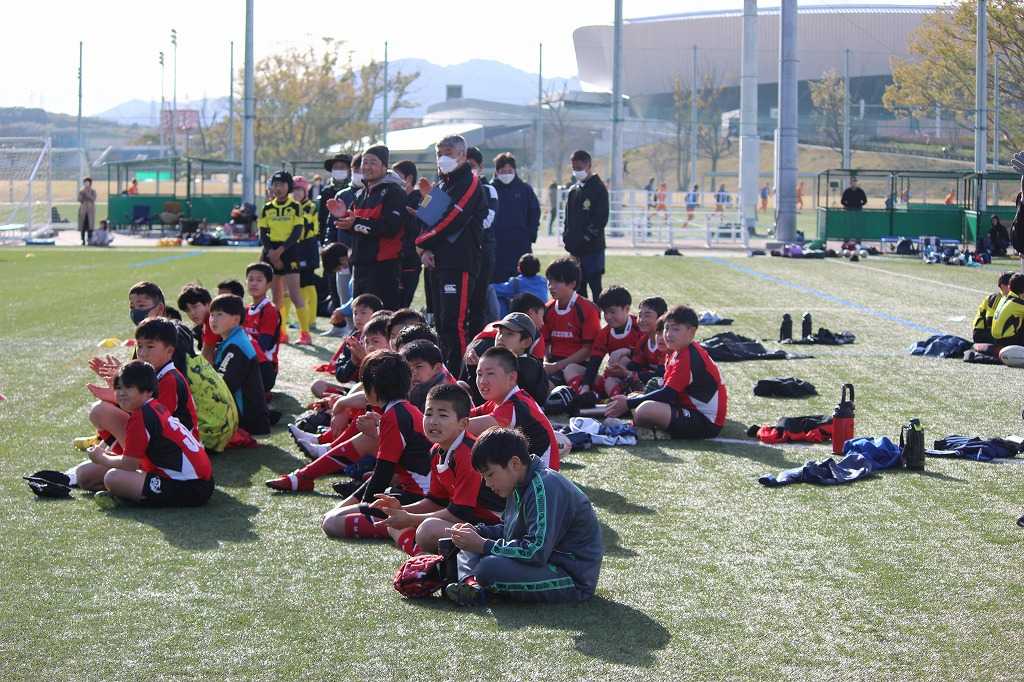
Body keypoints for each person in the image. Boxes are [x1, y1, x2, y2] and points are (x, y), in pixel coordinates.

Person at [443, 427, 602, 606]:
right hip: (542, 564)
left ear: (515, 464)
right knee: (469, 546)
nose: (487, 484)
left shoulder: (545, 486)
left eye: (490, 474)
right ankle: (470, 586)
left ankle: (474, 584)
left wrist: (484, 544)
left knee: (489, 567)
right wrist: (477, 533)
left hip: (570, 577)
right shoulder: (518, 483)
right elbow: (509, 531)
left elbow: (536, 551)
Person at [375, 383, 504, 556]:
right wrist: (402, 510)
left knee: (428, 529)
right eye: (428, 414)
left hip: (492, 528)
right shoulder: (437, 450)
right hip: (468, 523)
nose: (433, 421)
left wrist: (409, 518)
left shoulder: (469, 454)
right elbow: (436, 500)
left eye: (442, 415)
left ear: (463, 423)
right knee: (396, 524)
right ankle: (422, 557)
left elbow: (460, 513)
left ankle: (427, 561)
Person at [74, 360, 214, 508]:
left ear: (148, 391)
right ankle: (128, 492)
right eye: (118, 388)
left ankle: (127, 496)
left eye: (128, 387)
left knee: (113, 478)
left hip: (191, 486)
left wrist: (102, 457)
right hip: (189, 478)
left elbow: (129, 464)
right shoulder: (152, 407)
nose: (121, 393)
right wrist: (105, 457)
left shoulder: (142, 416)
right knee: (84, 475)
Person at [415, 135, 485, 375]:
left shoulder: (470, 181)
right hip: (437, 262)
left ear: (462, 155)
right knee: (442, 323)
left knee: (455, 324)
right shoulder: (442, 183)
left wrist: (421, 243)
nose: (442, 158)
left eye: (448, 153)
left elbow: (451, 220)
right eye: (439, 154)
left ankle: (461, 379)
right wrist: (424, 250)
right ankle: (444, 374)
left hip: (459, 262)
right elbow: (424, 218)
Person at [605, 305, 727, 439]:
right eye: (667, 328)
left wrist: (628, 404)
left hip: (705, 422)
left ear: (691, 331)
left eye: (676, 329)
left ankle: (653, 432)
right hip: (687, 409)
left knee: (645, 409)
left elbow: (668, 394)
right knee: (637, 398)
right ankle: (652, 427)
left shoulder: (688, 356)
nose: (668, 334)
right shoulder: (676, 352)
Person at [335, 145, 405, 311]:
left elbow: (390, 228)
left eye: (373, 162)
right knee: (360, 316)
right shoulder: (361, 193)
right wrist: (343, 217)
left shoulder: (394, 192)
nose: (367, 167)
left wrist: (355, 223)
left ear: (384, 166)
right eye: (364, 162)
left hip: (383, 267)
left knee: (380, 318)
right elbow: (355, 225)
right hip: (360, 266)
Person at [467, 347, 560, 470]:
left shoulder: (516, 404)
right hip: (525, 472)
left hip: (540, 477)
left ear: (511, 378)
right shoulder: (499, 400)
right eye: (479, 374)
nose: (482, 381)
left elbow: (464, 425)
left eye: (490, 373)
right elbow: (464, 416)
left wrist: (445, 419)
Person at [258, 170, 309, 344]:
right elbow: (263, 233)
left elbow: (297, 232)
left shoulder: (295, 206)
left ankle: (305, 333)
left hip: (289, 251)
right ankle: (281, 333)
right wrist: (272, 253)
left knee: (294, 294)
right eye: (275, 185)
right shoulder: (267, 208)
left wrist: (280, 251)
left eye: (281, 185)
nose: (278, 188)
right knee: (277, 297)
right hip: (271, 251)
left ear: (289, 187)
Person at [209, 294, 271, 436]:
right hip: (247, 420)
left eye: (219, 314)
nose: (213, 319)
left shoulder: (236, 346)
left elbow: (222, 386)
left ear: (236, 319)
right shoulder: (232, 341)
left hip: (247, 424)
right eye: (212, 315)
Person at [542, 256, 601, 391]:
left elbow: (588, 350)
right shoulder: (547, 309)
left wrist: (557, 366)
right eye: (549, 281)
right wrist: (545, 363)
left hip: (578, 365)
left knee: (568, 372)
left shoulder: (588, 309)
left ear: (572, 284)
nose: (551, 286)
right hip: (554, 364)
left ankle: (585, 394)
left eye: (557, 281)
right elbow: (544, 343)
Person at [275, 175, 319, 344]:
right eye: (294, 190)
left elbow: (301, 226)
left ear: (305, 191)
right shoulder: (288, 207)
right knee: (285, 290)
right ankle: (282, 327)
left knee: (307, 284)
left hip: (307, 247)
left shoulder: (309, 207)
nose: (297, 193)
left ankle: (310, 321)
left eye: (300, 190)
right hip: (292, 248)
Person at [581, 285, 645, 399]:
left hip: (639, 377)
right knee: (572, 369)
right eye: (605, 312)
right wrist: (585, 386)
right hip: (614, 378)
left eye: (612, 312)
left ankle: (625, 400)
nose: (608, 317)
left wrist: (627, 351)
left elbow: (648, 355)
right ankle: (585, 396)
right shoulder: (604, 334)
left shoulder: (640, 327)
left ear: (626, 309)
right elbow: (594, 362)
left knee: (623, 360)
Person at [562, 150, 609, 301]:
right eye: (574, 168)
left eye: (579, 168)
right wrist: (567, 237)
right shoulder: (574, 190)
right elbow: (568, 219)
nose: (576, 171)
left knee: (595, 287)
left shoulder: (598, 188)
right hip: (575, 249)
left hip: (593, 249)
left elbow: (601, 218)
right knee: (578, 288)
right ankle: (582, 316)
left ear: (588, 165)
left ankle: (598, 315)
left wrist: (586, 237)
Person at [490, 152, 541, 284]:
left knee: (522, 281)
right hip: (497, 244)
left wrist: (530, 234)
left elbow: (534, 212)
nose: (506, 174)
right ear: (496, 171)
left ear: (515, 170)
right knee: (498, 282)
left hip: (520, 244)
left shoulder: (525, 189)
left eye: (509, 171)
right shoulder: (490, 189)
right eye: (502, 171)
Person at [465, 146, 500, 338]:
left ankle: (475, 342)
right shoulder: (444, 187)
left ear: (480, 167)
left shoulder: (487, 189)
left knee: (477, 303)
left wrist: (454, 223)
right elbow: (429, 217)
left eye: (471, 165)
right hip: (449, 256)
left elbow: (486, 221)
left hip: (480, 252)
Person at [243, 262, 282, 393]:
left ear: (269, 284)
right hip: (249, 363)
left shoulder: (269, 310)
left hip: (264, 369)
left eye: (259, 280)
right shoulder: (246, 310)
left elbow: (262, 346)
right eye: (250, 279)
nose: (254, 283)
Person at [392, 160, 423, 308]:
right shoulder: (394, 199)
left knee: (402, 305)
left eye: (396, 176)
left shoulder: (420, 201)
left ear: (409, 178)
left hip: (410, 260)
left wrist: (415, 216)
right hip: (392, 259)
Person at [402, 339, 454, 411]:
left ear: (437, 368)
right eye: (408, 368)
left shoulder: (444, 397)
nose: (413, 373)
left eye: (418, 366)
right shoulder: (409, 391)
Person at [491, 253, 548, 318]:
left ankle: (500, 319)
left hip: (525, 316)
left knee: (500, 297)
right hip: (542, 314)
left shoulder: (517, 282)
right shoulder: (543, 281)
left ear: (519, 268)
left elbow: (497, 290)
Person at [631, 296, 669, 384]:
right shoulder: (643, 340)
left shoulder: (666, 343)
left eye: (647, 315)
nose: (642, 320)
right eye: (640, 315)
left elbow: (661, 375)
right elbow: (635, 365)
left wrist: (628, 374)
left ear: (662, 317)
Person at [177, 284, 218, 364]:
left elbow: (206, 359)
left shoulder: (212, 321)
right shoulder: (206, 323)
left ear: (208, 303)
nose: (192, 313)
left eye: (195, 306)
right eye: (187, 310)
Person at [317, 152, 352, 245]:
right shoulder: (326, 191)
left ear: (349, 170)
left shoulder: (354, 191)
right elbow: (322, 218)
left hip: (349, 238)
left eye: (342, 167)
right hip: (330, 239)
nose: (338, 170)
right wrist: (323, 240)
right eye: (336, 167)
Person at [77, 177, 97, 246]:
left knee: (90, 226)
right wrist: (83, 195)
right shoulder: (81, 191)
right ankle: (83, 240)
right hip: (83, 210)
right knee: (83, 226)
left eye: (88, 183)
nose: (86, 184)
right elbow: (79, 199)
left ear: (90, 183)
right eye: (85, 183)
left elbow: (93, 199)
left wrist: (87, 195)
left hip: (90, 211)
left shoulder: (93, 191)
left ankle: (89, 239)